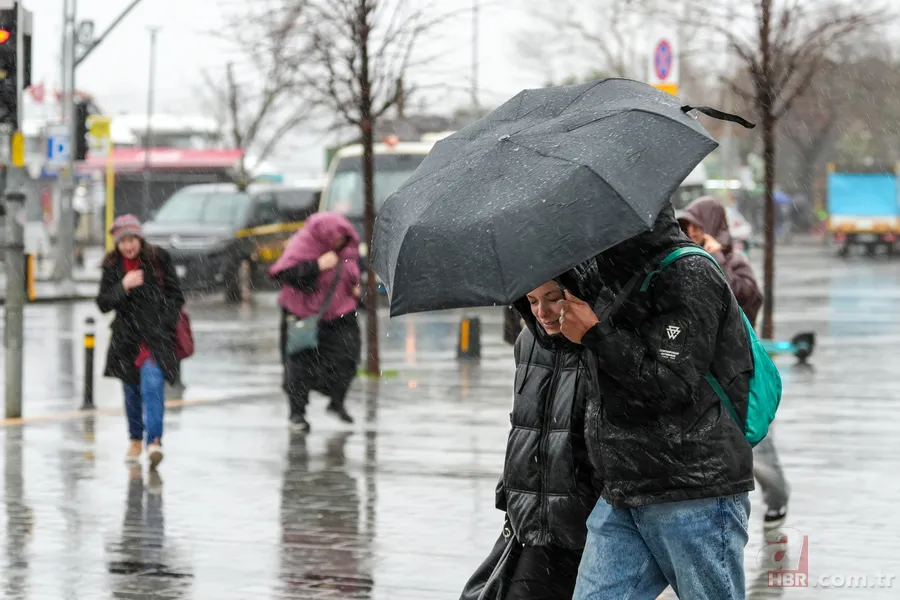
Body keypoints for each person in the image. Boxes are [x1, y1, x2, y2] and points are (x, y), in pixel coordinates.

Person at [556, 205, 754, 600]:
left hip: (693, 490)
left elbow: (669, 384)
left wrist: (596, 334)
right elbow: (562, 345)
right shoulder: (606, 272)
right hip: (624, 489)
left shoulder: (688, 273)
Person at [460, 276, 600, 600]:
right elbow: (524, 424)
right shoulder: (527, 342)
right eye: (533, 301)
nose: (543, 312)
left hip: (583, 525)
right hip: (532, 524)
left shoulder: (598, 344)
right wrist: (510, 493)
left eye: (553, 298)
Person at [679, 196, 790, 529]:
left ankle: (777, 498)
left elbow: (741, 297)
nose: (693, 233)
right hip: (702, 372)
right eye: (688, 227)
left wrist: (714, 257)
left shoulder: (733, 259)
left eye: (698, 226)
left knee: (756, 439)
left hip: (738, 371)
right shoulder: (683, 260)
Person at [97, 214, 185, 469]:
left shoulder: (157, 259)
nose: (128, 245)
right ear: (117, 243)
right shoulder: (112, 265)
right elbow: (103, 303)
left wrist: (164, 324)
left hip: (154, 340)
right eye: (123, 240)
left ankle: (154, 442)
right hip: (126, 341)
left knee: (152, 387)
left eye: (132, 239)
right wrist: (122, 286)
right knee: (132, 393)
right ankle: (135, 439)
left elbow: (176, 295)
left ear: (140, 238)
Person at [269, 212, 362, 433]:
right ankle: (297, 414)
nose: (339, 242)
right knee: (299, 365)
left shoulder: (348, 250)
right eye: (336, 237)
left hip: (341, 312)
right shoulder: (303, 244)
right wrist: (316, 266)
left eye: (343, 238)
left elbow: (352, 274)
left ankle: (336, 401)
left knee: (348, 357)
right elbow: (284, 273)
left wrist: (357, 290)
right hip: (302, 314)